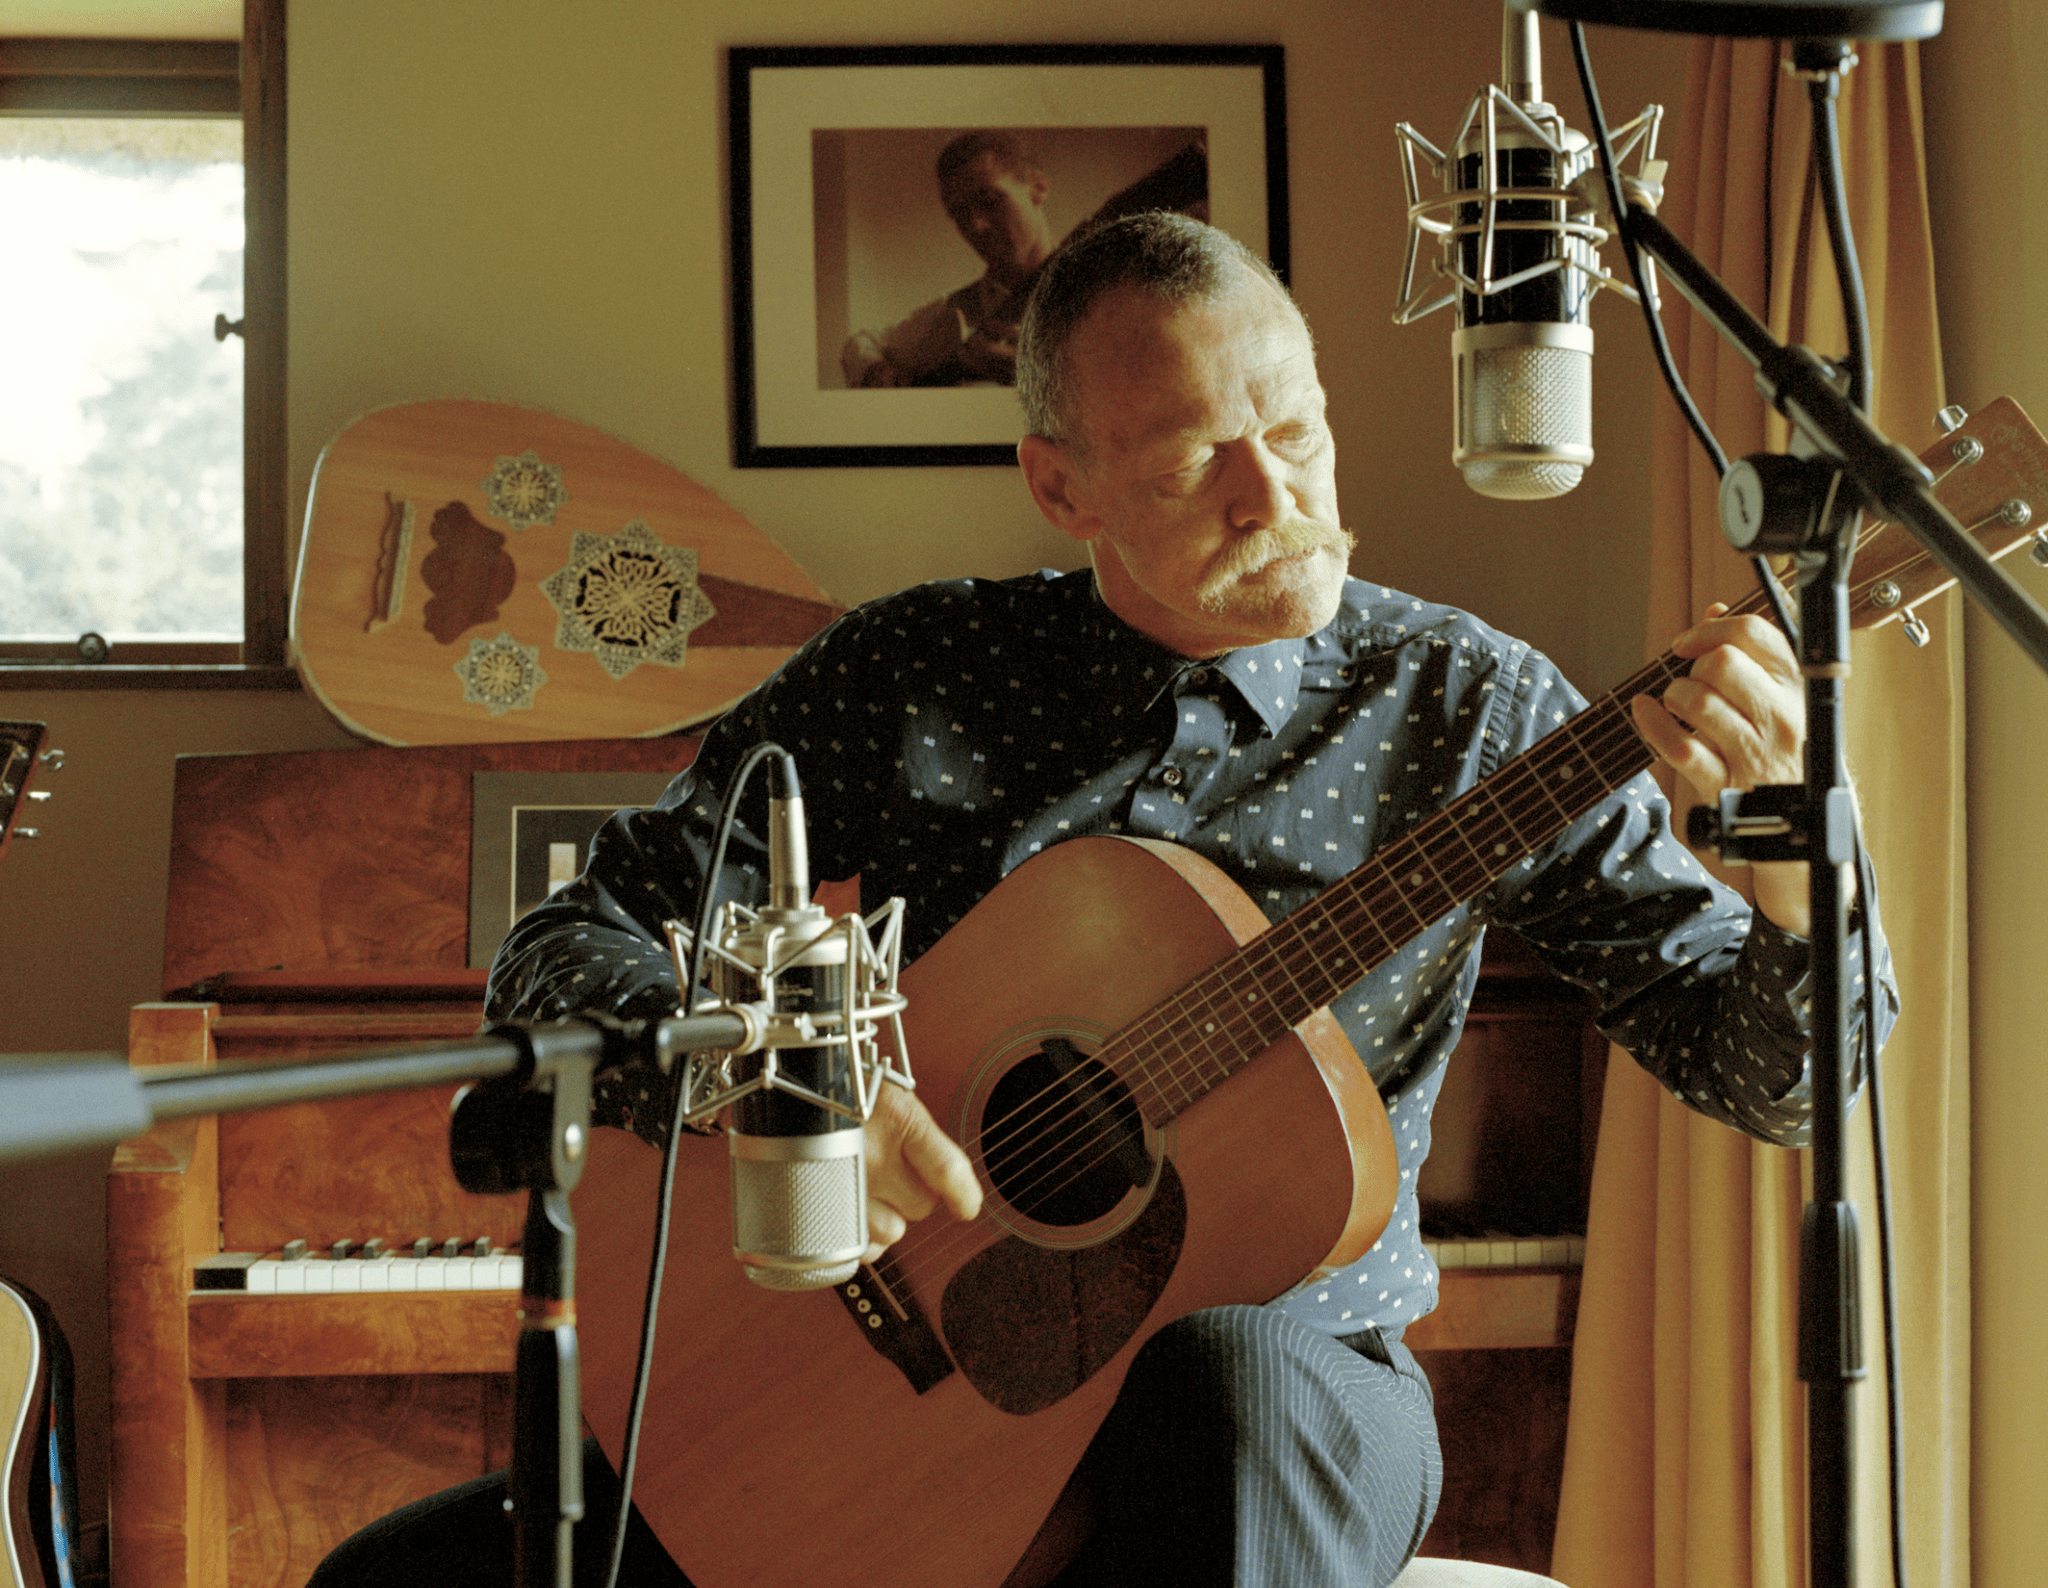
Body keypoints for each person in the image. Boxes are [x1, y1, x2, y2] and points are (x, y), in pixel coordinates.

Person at [313, 213, 1894, 1588]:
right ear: (1061, 486)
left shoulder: (1475, 708)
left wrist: (1795, 838)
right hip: (895, 1377)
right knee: (390, 1583)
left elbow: (1781, 1076)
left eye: (1294, 426)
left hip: (1299, 1395)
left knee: (1222, 1384)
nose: (1271, 492)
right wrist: (793, 1088)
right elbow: (567, 948)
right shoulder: (916, 669)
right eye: (1196, 457)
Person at [840, 129, 1207, 389]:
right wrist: (879, 376)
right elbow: (859, 344)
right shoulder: (951, 310)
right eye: (959, 214)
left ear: (1037, 188)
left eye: (990, 201)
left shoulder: (1122, 293)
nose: (976, 226)